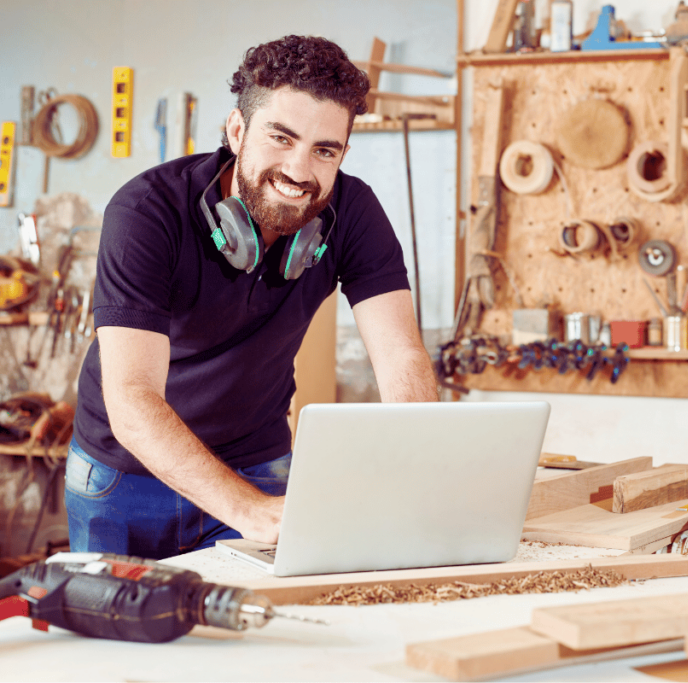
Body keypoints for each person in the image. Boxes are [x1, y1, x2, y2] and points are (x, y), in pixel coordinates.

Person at [66, 35, 438, 559]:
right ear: (237, 130)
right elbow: (131, 398)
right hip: (128, 475)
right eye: (281, 138)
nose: (299, 171)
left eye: (323, 150)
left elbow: (400, 354)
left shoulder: (353, 213)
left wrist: (425, 475)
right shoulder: (146, 213)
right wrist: (246, 511)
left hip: (259, 465)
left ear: (343, 154)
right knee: (113, 636)